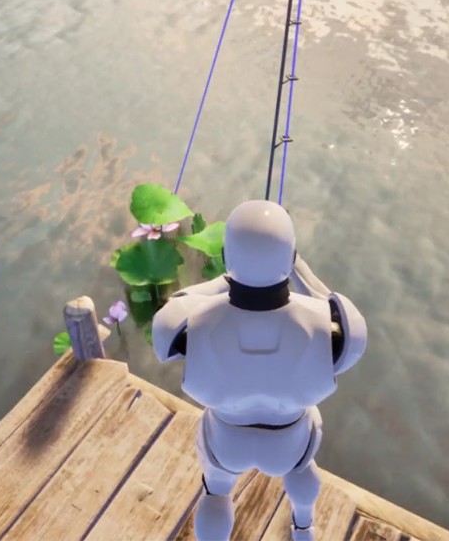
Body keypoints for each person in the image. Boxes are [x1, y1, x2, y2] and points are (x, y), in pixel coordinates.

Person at [152, 200, 367, 541]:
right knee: (301, 470)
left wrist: (228, 278)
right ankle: (304, 528)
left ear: (227, 256)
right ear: (289, 254)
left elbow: (178, 304)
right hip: (289, 441)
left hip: (226, 440)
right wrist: (297, 268)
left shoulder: (189, 325)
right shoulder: (332, 330)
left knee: (216, 492)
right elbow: (336, 307)